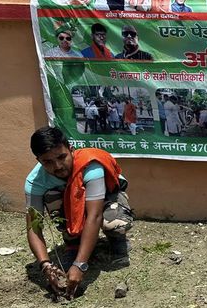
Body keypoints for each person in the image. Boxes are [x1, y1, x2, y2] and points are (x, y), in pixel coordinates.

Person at [25, 126, 133, 298]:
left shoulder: (90, 166)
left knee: (114, 224)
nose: (58, 166)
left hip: (105, 199)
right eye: (48, 162)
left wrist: (80, 264)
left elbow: (94, 216)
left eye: (62, 157)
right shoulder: (34, 181)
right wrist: (45, 264)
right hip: (71, 203)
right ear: (38, 161)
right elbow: (33, 226)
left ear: (71, 149)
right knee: (52, 197)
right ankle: (73, 243)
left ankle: (116, 240)